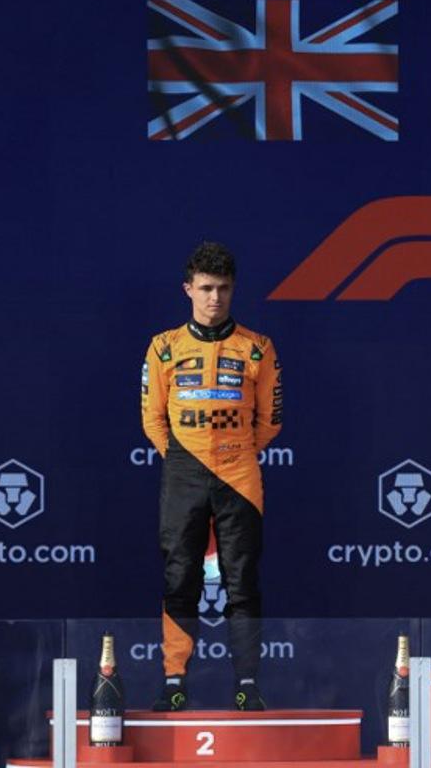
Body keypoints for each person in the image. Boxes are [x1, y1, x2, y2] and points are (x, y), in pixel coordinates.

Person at [141, 242, 283, 711]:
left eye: (222, 288)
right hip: (184, 469)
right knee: (180, 575)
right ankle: (173, 679)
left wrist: (234, 451)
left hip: (240, 471)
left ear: (233, 289)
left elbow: (271, 419)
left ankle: (247, 683)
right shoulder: (163, 347)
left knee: (241, 579)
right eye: (205, 288)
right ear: (188, 289)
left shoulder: (258, 347)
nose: (214, 298)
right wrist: (185, 456)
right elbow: (152, 419)